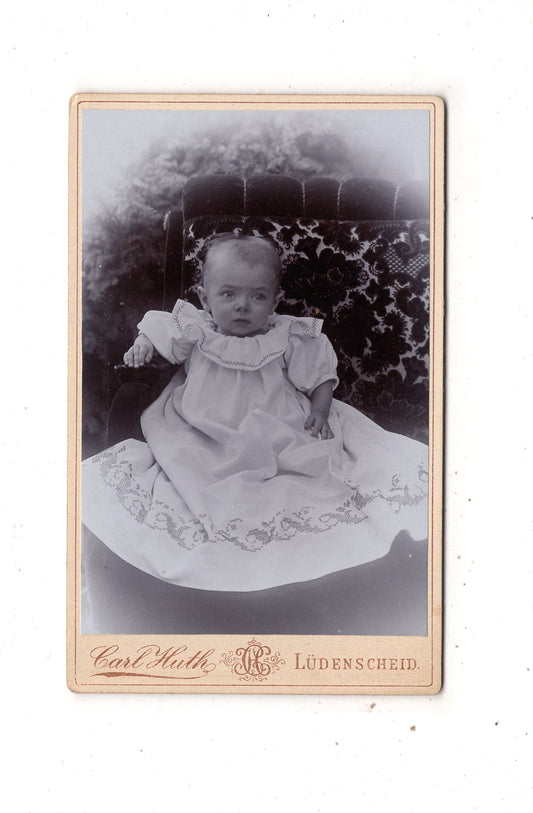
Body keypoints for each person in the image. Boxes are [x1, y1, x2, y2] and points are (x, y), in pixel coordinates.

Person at [82, 233, 428, 604]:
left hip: (275, 420)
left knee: (300, 469)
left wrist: (320, 411)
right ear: (205, 298)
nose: (243, 306)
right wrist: (143, 345)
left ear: (275, 300)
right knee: (188, 466)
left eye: (257, 296)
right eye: (228, 294)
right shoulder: (196, 329)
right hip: (203, 426)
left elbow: (320, 377)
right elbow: (158, 329)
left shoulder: (287, 335)